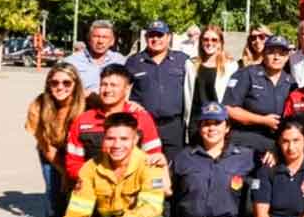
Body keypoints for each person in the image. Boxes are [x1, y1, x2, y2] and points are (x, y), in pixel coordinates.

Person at [25, 62, 87, 217]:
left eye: (66, 83)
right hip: (51, 153)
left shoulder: (86, 103)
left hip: (78, 153)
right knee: (56, 198)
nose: (60, 87)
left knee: (79, 198)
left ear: (76, 84)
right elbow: (47, 147)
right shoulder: (38, 105)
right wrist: (65, 175)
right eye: (55, 83)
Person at [65, 64, 164, 181]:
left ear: (127, 89)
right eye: (104, 84)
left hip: (132, 190)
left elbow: (153, 158)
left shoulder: (142, 118)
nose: (107, 90)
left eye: (113, 85)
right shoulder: (82, 121)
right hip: (92, 188)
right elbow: (73, 163)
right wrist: (94, 180)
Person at [126, 20, 188, 161]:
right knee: (145, 166)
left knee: (173, 168)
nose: (155, 39)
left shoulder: (182, 60)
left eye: (160, 35)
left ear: (168, 37)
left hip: (174, 127)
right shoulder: (133, 62)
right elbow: (124, 90)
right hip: (143, 124)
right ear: (146, 37)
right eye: (152, 35)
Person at [225, 35, 295, 154]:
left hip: (275, 145)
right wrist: (262, 120)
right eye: (271, 52)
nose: (276, 57)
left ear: (287, 57)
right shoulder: (247, 74)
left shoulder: (291, 83)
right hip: (245, 141)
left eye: (282, 53)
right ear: (263, 53)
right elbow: (229, 109)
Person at [182, 25, 239, 146]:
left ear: (220, 43)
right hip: (196, 123)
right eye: (206, 39)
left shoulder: (230, 66)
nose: (209, 43)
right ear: (201, 41)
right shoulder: (190, 64)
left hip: (217, 124)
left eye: (214, 40)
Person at [65, 20, 127, 96]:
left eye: (105, 37)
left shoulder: (120, 61)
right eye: (96, 36)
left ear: (112, 41)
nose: (100, 41)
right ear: (89, 39)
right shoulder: (71, 62)